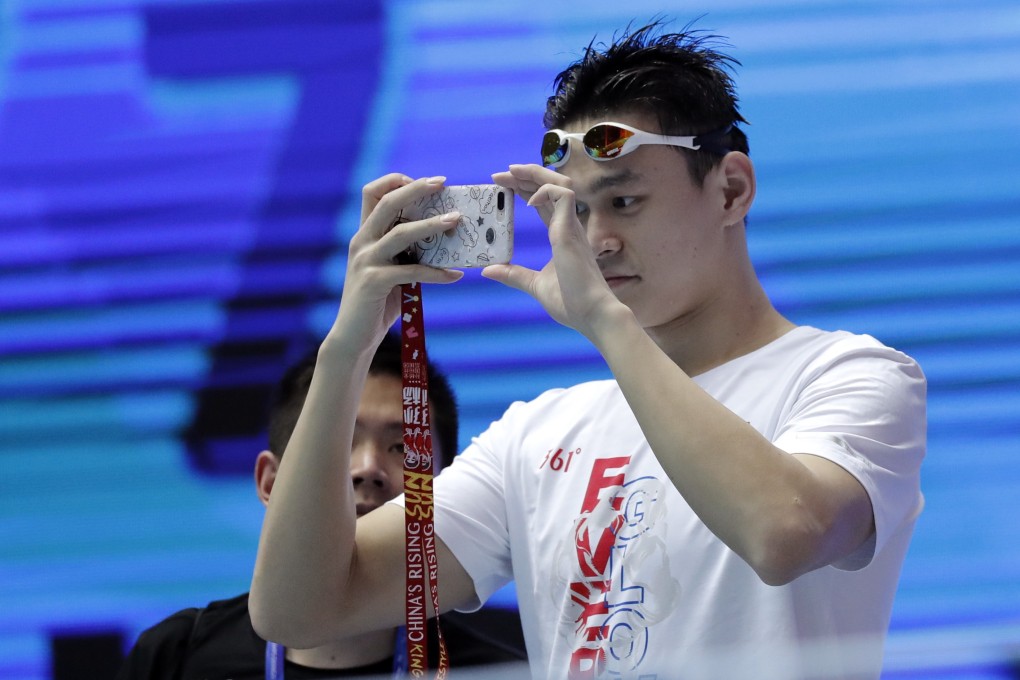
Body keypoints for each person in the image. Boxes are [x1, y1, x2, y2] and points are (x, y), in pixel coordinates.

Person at [249, 20, 926, 680]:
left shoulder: (853, 377)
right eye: (574, 211)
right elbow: (301, 610)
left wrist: (605, 323)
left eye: (624, 201)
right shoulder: (536, 436)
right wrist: (348, 345)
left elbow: (783, 534)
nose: (595, 240)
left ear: (730, 189)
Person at [116, 333, 527, 679]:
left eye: (403, 448)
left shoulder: (496, 670)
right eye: (339, 444)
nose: (368, 469)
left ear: (448, 491)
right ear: (272, 483)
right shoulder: (174, 659)